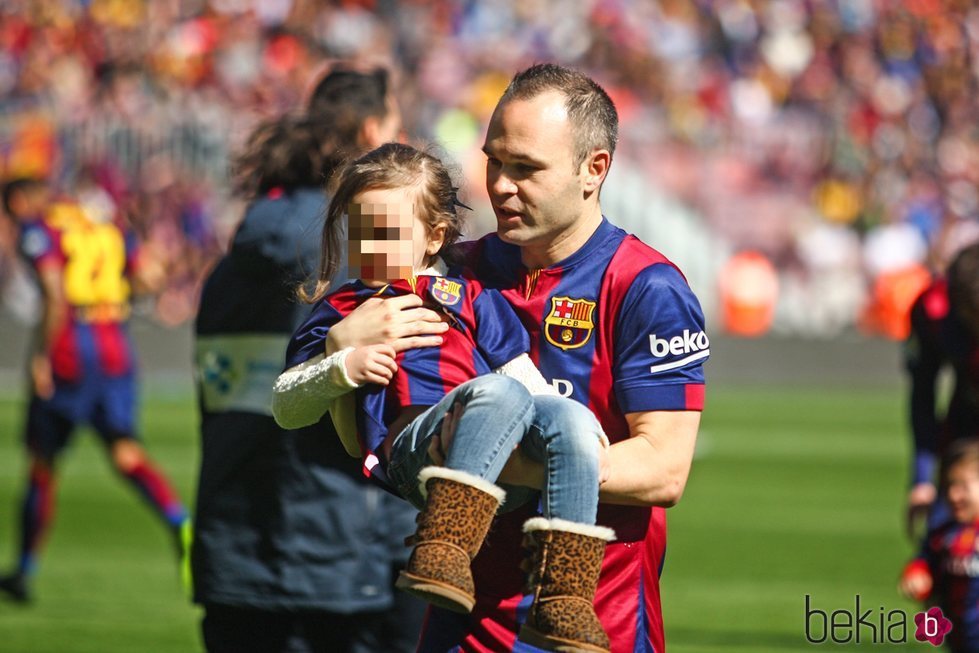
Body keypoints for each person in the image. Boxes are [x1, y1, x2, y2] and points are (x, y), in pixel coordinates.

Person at [281, 63, 708, 653]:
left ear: (595, 169)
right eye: (495, 161)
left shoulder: (646, 286)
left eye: (526, 168)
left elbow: (664, 469)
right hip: (460, 608)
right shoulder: (452, 271)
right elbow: (360, 434)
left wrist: (477, 457)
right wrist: (339, 349)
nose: (502, 185)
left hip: (593, 620)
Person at [272, 142, 615, 652]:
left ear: (434, 237)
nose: (370, 249)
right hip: (418, 454)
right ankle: (443, 545)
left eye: (386, 235)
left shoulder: (470, 297)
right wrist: (340, 365)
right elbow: (285, 405)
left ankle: (563, 595)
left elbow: (520, 370)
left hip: (502, 459)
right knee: (496, 393)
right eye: (360, 233)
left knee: (569, 415)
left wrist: (578, 434)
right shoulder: (345, 306)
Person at [191, 67, 424, 653]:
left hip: (235, 555)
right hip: (342, 564)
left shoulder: (231, 265)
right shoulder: (359, 262)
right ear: (375, 132)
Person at [0, 177, 190, 603]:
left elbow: (53, 291)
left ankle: (25, 570)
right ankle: (178, 518)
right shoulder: (103, 224)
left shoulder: (41, 228)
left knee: (42, 462)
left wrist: (39, 356)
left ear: (15, 201)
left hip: (71, 347)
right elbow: (149, 278)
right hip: (114, 347)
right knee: (125, 452)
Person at [905, 242, 979, 538]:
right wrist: (923, 477)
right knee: (944, 545)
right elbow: (923, 393)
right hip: (964, 422)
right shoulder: (931, 311)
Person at [901, 438, 979, 651]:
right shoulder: (944, 534)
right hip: (960, 642)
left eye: (963, 486)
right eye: (949, 485)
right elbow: (925, 562)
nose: (954, 495)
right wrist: (916, 576)